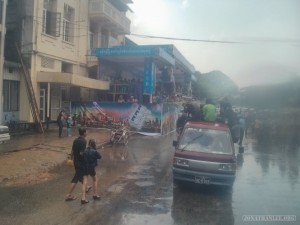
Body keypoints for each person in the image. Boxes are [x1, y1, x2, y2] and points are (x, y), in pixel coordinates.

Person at [65, 127, 91, 202]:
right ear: (84, 133)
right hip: (81, 162)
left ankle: (86, 187)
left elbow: (72, 150)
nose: (87, 133)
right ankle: (68, 195)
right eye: (86, 132)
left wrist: (71, 158)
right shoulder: (83, 141)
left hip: (76, 162)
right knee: (76, 178)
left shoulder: (75, 140)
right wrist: (86, 161)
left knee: (80, 176)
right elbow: (82, 153)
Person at [81, 139, 102, 204]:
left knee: (84, 183)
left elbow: (81, 155)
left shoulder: (84, 150)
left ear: (89, 144)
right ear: (94, 144)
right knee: (95, 180)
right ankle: (95, 194)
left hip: (84, 168)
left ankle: (83, 198)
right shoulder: (95, 151)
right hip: (91, 168)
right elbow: (100, 157)